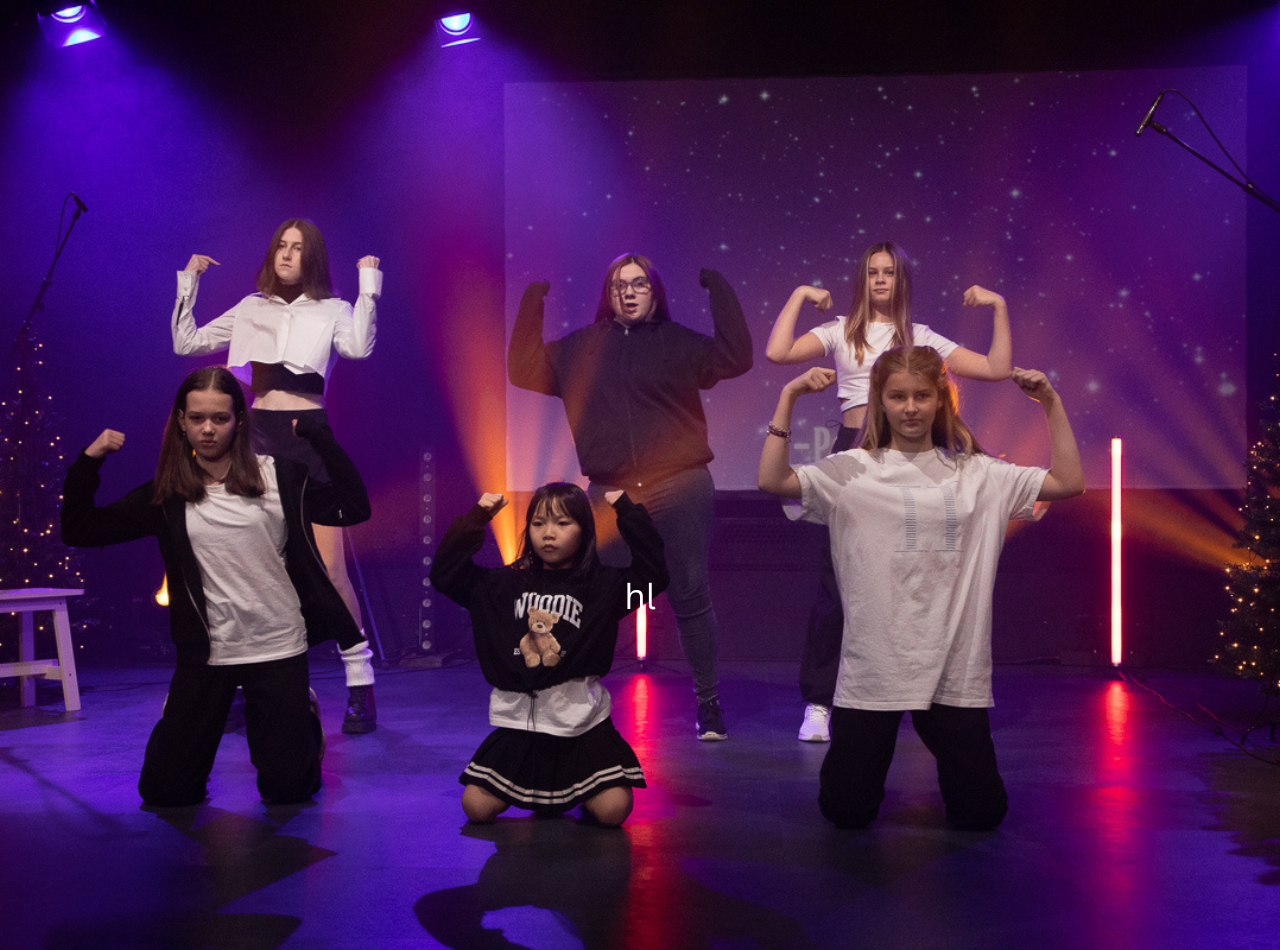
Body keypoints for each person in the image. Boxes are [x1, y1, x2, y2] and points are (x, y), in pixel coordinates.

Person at [757, 347, 1084, 829]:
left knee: (981, 815)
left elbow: (1069, 482)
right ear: (880, 401)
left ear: (941, 400)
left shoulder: (979, 474)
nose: (910, 407)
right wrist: (788, 397)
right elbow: (772, 480)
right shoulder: (850, 471)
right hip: (874, 669)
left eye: (921, 396)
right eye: (898, 396)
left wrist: (1050, 403)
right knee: (846, 811)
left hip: (953, 667)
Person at [60, 366, 372, 806]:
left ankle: (302, 717)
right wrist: (89, 461)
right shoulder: (169, 494)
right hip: (207, 653)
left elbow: (353, 508)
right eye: (197, 418)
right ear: (181, 421)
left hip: (277, 646)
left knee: (288, 791)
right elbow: (80, 529)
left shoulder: (279, 478)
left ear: (239, 421)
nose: (207, 429)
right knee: (166, 793)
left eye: (220, 418)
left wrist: (322, 440)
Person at [765, 241, 1012, 742]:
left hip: (913, 456)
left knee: (914, 574)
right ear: (862, 280)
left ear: (902, 281)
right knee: (837, 581)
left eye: (890, 273)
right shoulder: (841, 331)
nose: (880, 280)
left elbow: (996, 368)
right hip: (857, 453)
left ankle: (918, 691)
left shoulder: (920, 337)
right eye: (872, 273)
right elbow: (778, 352)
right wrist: (800, 294)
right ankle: (820, 702)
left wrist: (999, 307)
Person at [508, 255, 752, 741]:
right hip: (612, 492)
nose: (629, 292)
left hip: (679, 484)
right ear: (609, 295)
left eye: (639, 284)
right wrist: (533, 301)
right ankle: (569, 698)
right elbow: (523, 369)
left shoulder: (677, 342)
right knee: (593, 596)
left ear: (654, 292)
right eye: (620, 285)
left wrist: (718, 286)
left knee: (689, 591)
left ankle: (709, 704)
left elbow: (736, 357)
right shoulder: (582, 348)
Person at [171, 218, 381, 733]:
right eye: (281, 246)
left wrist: (368, 288)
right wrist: (189, 281)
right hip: (259, 437)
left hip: (308, 436)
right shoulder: (251, 307)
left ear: (313, 257)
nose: (287, 254)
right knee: (258, 565)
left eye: (298, 247)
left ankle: (360, 685)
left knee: (329, 569)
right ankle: (256, 687)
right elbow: (186, 343)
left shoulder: (334, 309)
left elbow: (358, 349)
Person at [430, 483, 669, 826]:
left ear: (584, 530)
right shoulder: (503, 585)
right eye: (539, 523)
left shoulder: (604, 587)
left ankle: (583, 796)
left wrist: (628, 513)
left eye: (562, 523)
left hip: (581, 726)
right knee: (476, 808)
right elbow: (444, 574)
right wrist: (477, 517)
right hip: (520, 726)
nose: (548, 533)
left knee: (613, 810)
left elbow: (653, 576)